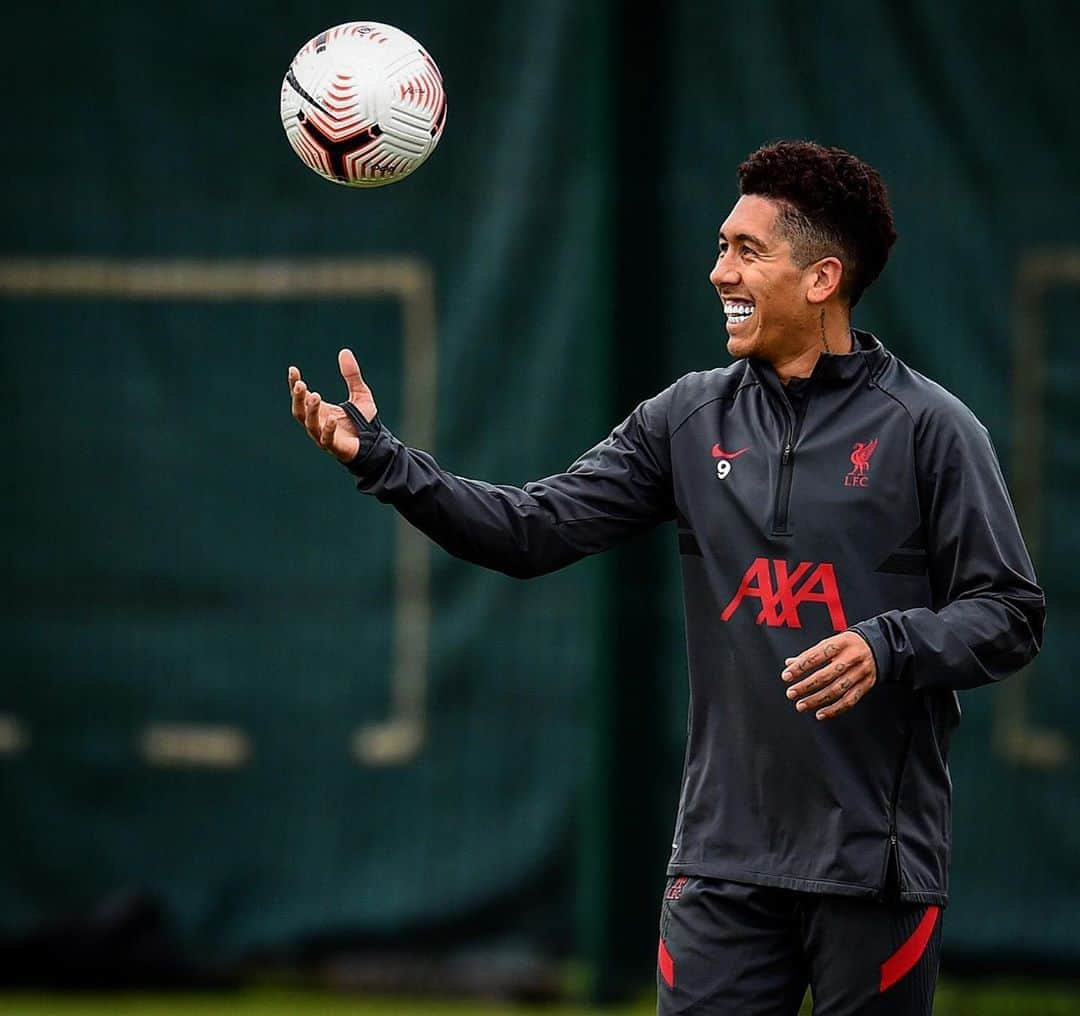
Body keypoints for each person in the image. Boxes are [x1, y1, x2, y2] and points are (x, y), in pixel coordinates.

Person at [287, 140, 1044, 1015]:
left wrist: (890, 643)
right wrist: (383, 462)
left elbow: (1012, 613)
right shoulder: (686, 418)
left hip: (875, 868)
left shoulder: (932, 429)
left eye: (746, 251)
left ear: (822, 278)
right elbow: (530, 530)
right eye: (721, 245)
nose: (719, 270)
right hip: (719, 867)